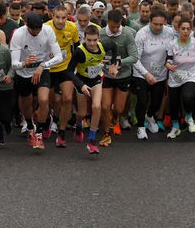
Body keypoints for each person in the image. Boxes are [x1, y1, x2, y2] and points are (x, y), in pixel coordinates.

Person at [10, 11, 64, 150]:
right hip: (23, 73)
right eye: (33, 31)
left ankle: (39, 133)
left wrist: (43, 65)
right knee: (26, 103)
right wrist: (24, 63)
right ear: (27, 25)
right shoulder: (18, 34)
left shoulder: (47, 30)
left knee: (44, 99)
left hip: (42, 69)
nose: (36, 33)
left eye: (38, 30)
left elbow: (59, 57)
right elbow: (14, 64)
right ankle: (29, 125)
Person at [98, 9, 137, 147]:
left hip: (123, 75)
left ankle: (115, 119)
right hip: (106, 75)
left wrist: (118, 63)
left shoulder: (127, 34)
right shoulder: (101, 34)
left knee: (119, 109)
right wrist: (100, 61)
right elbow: (95, 52)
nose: (115, 29)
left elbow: (134, 57)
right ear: (107, 22)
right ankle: (106, 133)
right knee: (105, 106)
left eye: (118, 26)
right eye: (112, 26)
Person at [132, 9, 174, 139]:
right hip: (141, 72)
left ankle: (149, 117)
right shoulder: (141, 34)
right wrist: (146, 74)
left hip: (159, 73)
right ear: (150, 22)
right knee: (142, 101)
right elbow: (135, 59)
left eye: (161, 24)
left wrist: (169, 64)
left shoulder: (169, 32)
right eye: (155, 24)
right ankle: (140, 127)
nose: (158, 27)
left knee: (156, 102)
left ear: (165, 23)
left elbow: (172, 51)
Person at [44, 4, 80, 147]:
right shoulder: (46, 28)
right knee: (51, 101)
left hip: (65, 67)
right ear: (52, 16)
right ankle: (48, 121)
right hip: (49, 68)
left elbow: (77, 47)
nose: (60, 21)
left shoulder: (72, 27)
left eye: (63, 18)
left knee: (67, 98)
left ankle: (62, 132)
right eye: (57, 17)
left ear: (68, 17)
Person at [164, 17, 195, 139]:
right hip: (175, 77)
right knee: (174, 103)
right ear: (179, 29)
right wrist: (168, 66)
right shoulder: (172, 44)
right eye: (183, 29)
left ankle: (188, 116)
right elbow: (168, 60)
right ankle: (175, 127)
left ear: (191, 30)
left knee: (188, 96)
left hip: (191, 75)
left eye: (188, 29)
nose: (186, 31)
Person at [70, 24, 106, 153]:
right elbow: (69, 71)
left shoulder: (102, 46)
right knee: (82, 113)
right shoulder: (79, 52)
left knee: (96, 107)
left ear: (99, 39)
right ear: (84, 38)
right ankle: (78, 125)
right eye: (89, 40)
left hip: (96, 79)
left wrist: (114, 63)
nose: (92, 43)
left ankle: (91, 141)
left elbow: (114, 49)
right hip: (82, 81)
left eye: (94, 40)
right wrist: (80, 85)